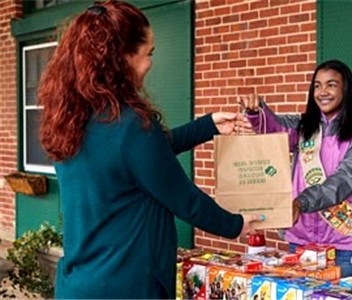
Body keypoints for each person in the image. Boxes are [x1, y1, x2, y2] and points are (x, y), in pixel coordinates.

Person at [37, 1, 263, 298]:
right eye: (149, 53)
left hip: (77, 283)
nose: (150, 63)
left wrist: (207, 126)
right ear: (121, 58)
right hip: (126, 286)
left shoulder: (71, 119)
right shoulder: (130, 126)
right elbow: (184, 199)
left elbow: (137, 160)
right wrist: (236, 225)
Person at [238, 59, 352, 277]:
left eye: (331, 84)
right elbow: (274, 127)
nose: (323, 92)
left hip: (341, 243)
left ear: (346, 89)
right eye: (317, 85)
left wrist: (302, 202)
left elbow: (345, 178)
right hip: (300, 239)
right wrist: (257, 112)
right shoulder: (303, 126)